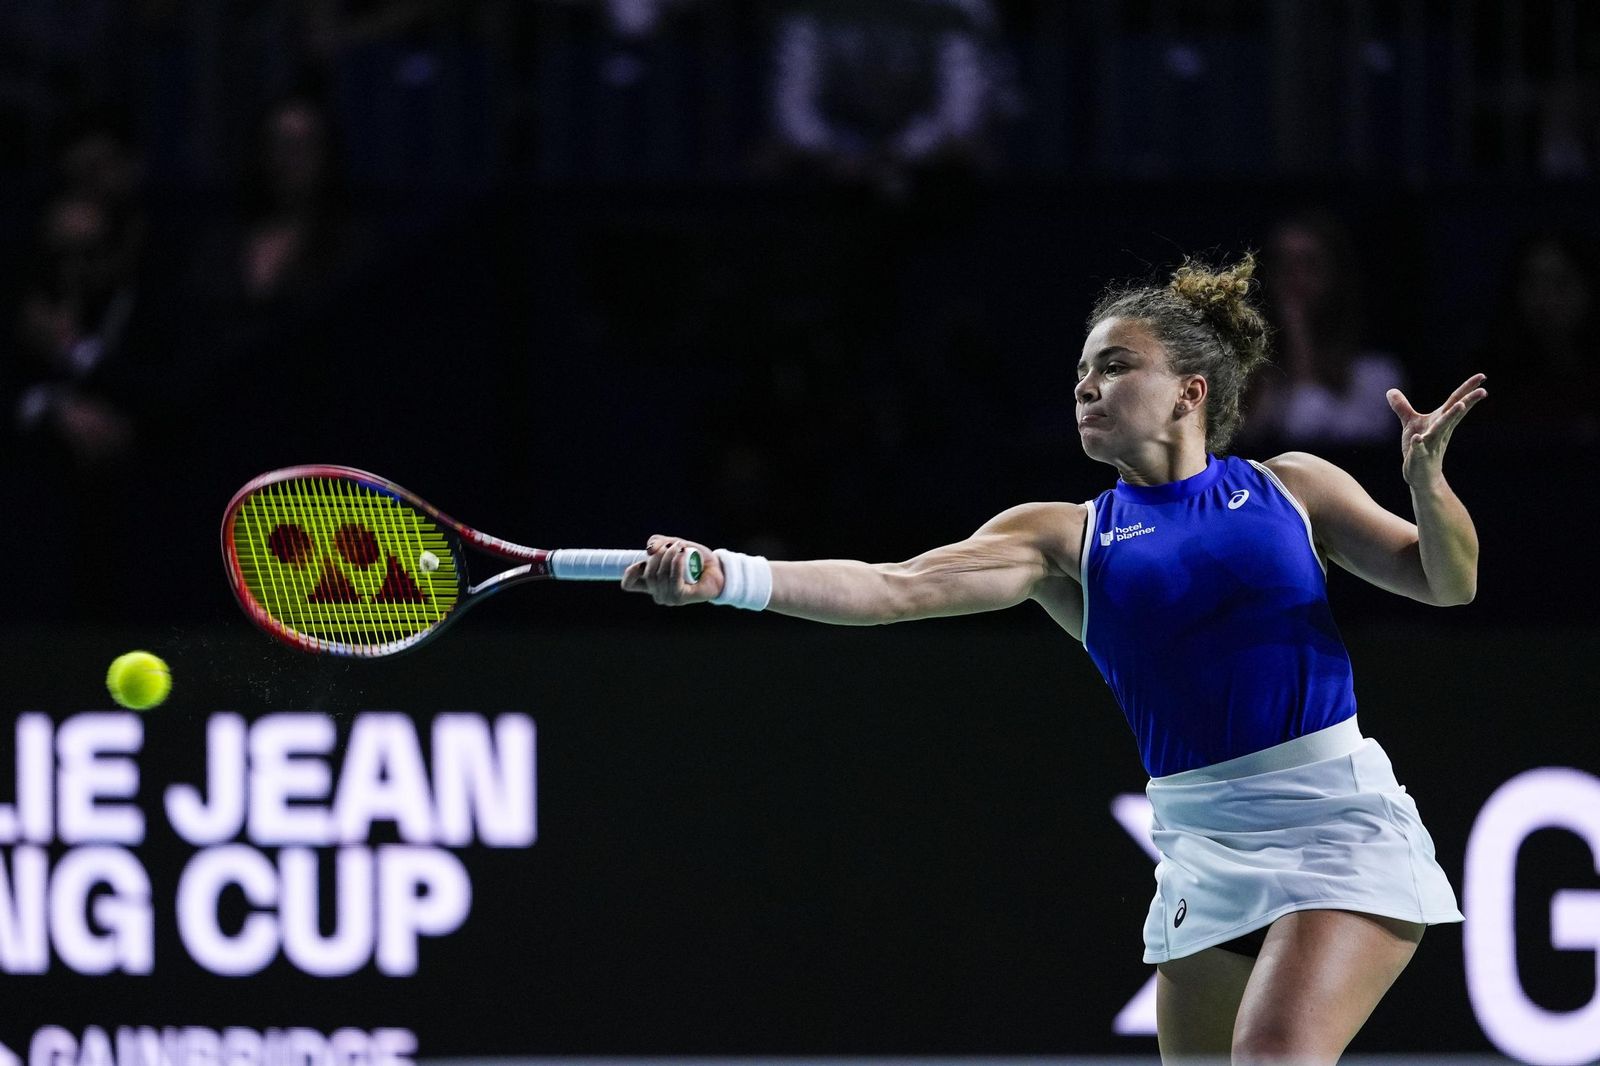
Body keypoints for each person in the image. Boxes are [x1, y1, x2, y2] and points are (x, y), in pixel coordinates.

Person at [623, 254, 1487, 1064]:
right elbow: (895, 587)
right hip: (1202, 847)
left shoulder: (1292, 487)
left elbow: (1447, 582)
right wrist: (731, 576)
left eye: (1114, 365)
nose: (1085, 384)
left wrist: (1426, 483)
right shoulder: (1065, 537)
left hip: (1333, 824)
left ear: (1190, 392)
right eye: (1082, 369)